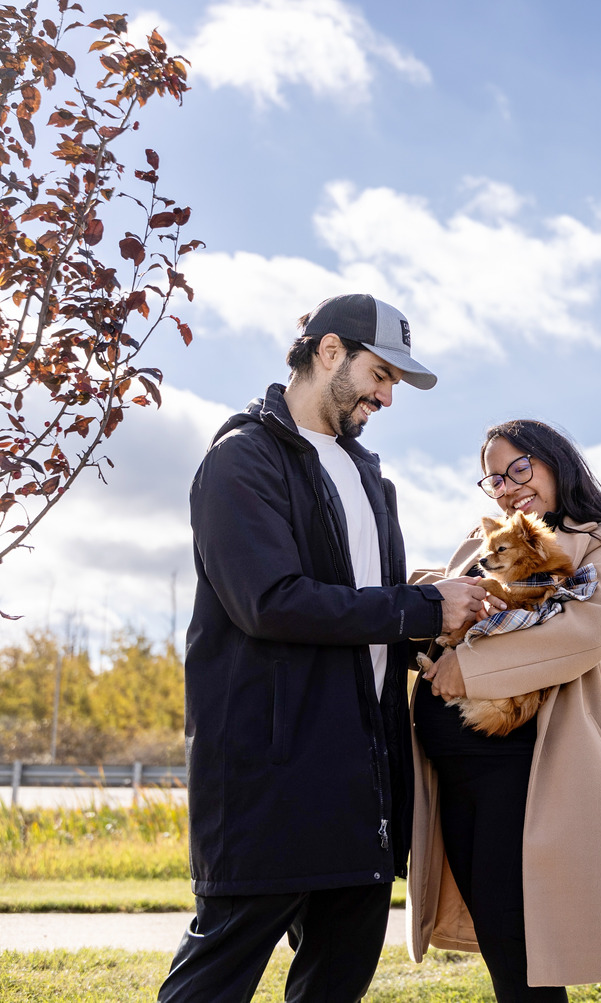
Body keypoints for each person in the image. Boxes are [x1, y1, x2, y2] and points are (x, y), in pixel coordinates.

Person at [159, 293, 493, 1002]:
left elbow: (368, 619)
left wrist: (439, 626)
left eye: (396, 382)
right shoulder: (240, 461)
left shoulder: (371, 478)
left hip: (364, 789)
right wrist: (420, 606)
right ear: (331, 350)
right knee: (212, 983)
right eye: (382, 373)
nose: (387, 395)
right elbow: (270, 601)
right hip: (269, 783)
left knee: (335, 987)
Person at [406, 419, 601, 1001]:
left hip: (521, 775)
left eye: (521, 468)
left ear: (554, 462)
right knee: (500, 941)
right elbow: (440, 605)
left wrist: (472, 668)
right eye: (495, 478)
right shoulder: (484, 537)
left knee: (522, 950)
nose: (510, 485)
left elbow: (585, 631)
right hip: (454, 770)